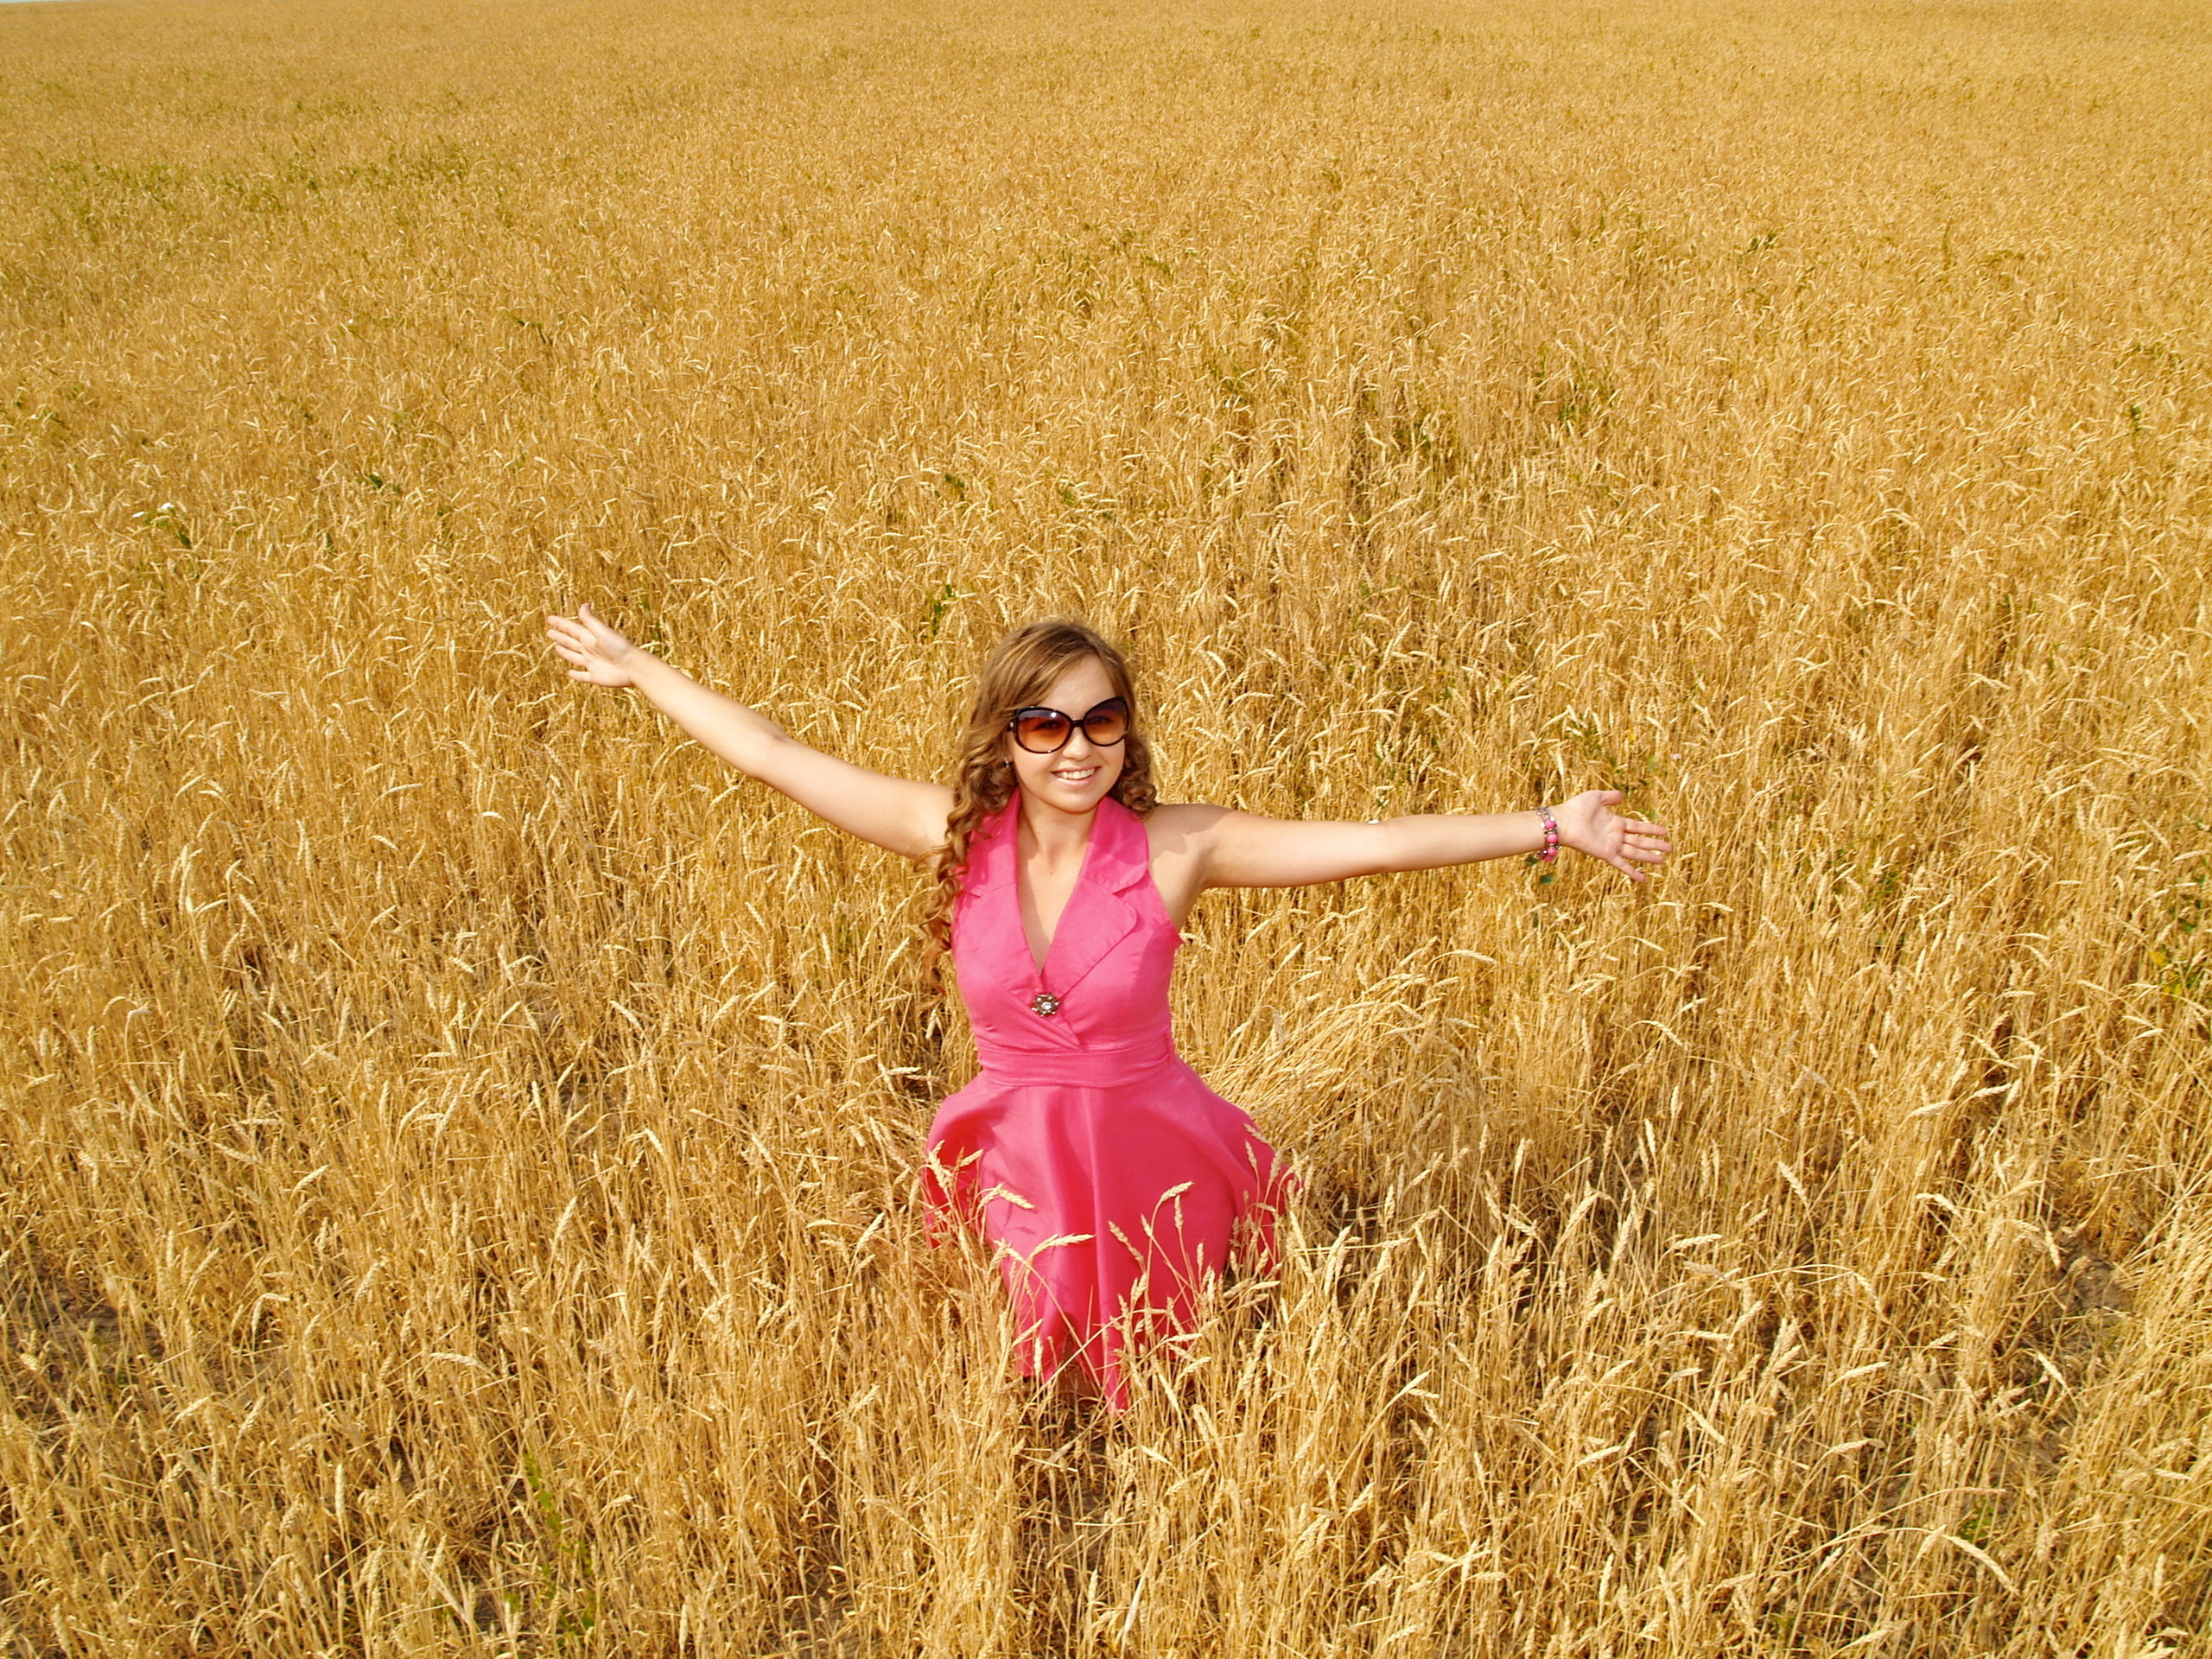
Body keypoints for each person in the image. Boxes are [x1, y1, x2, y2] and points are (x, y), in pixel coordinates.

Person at [543, 606, 1672, 1408]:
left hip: (1151, 1158)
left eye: (1102, 721)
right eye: (1045, 726)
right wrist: (642, 668)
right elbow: (777, 757)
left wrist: (1550, 825)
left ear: (1126, 730)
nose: (1076, 748)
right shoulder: (954, 833)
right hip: (1010, 1155)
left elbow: (1374, 847)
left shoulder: (1182, 845)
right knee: (1013, 1385)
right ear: (1005, 735)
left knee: (1177, 1378)